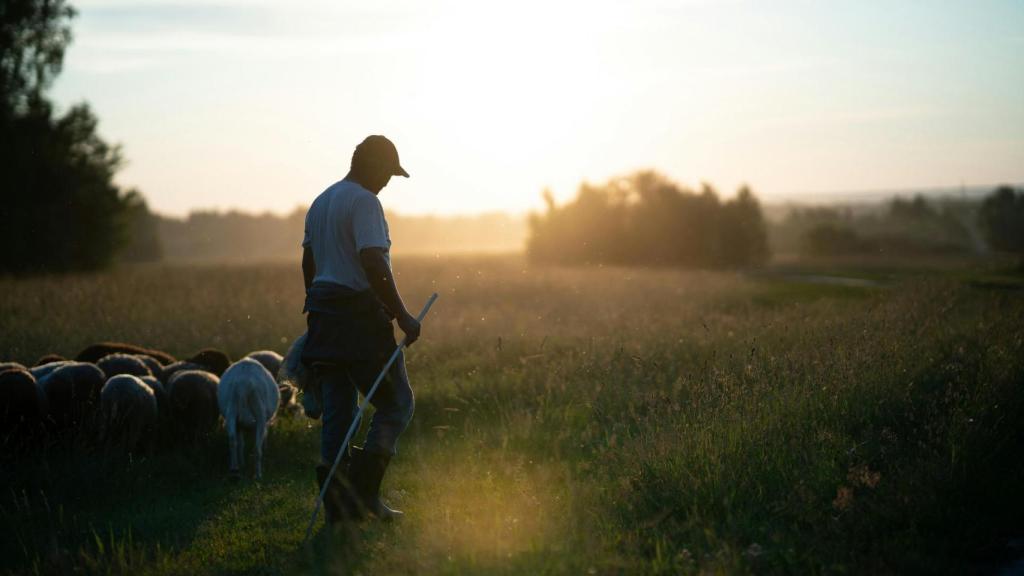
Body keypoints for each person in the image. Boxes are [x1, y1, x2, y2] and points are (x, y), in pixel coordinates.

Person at [300, 135, 420, 524]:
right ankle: (365, 494)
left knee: (337, 413)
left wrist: (315, 306)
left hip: (323, 317)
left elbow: (308, 260)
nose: (387, 181)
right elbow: (372, 260)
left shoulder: (321, 201)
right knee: (397, 403)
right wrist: (402, 314)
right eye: (387, 172)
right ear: (369, 165)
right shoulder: (366, 202)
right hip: (358, 321)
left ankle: (338, 507)